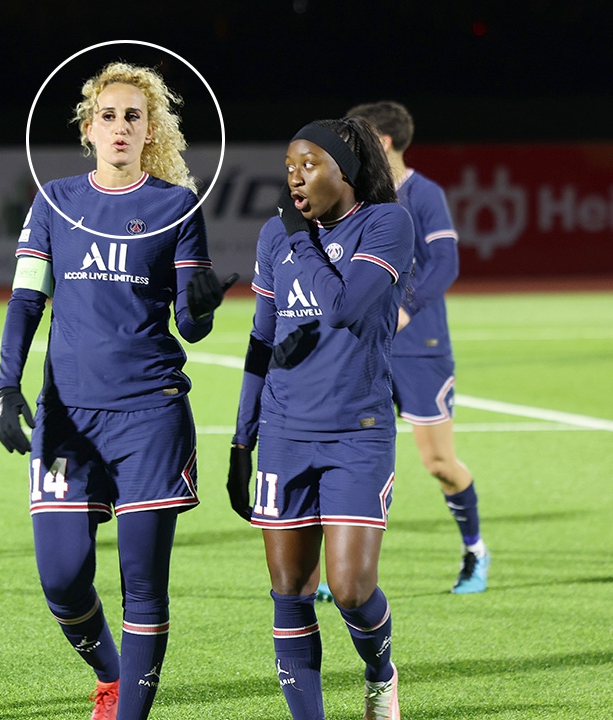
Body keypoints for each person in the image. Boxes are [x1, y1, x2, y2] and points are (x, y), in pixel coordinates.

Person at [0, 62, 235, 720]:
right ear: (88, 128)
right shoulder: (54, 201)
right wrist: (6, 385)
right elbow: (26, 301)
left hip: (149, 416)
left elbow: (190, 326)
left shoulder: (176, 206)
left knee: (143, 586)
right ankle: (112, 674)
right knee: (62, 579)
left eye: (134, 116)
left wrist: (202, 305)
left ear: (151, 129)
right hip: (66, 419)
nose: (121, 126)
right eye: (109, 115)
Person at [226, 117, 414, 720]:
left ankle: (380, 672)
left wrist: (300, 239)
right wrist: (241, 440)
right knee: (289, 591)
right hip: (283, 435)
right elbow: (261, 340)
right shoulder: (274, 236)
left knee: (352, 590)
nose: (295, 179)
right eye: (289, 168)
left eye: (308, 165)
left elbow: (343, 308)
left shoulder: (386, 224)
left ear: (346, 170)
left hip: (357, 434)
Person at [346, 100, 488, 594]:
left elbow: (446, 263)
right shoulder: (356, 194)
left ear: (383, 142)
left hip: (419, 348)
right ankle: (346, 569)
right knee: (358, 460)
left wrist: (403, 308)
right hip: (365, 349)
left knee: (439, 464)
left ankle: (475, 550)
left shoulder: (424, 194)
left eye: (359, 137)